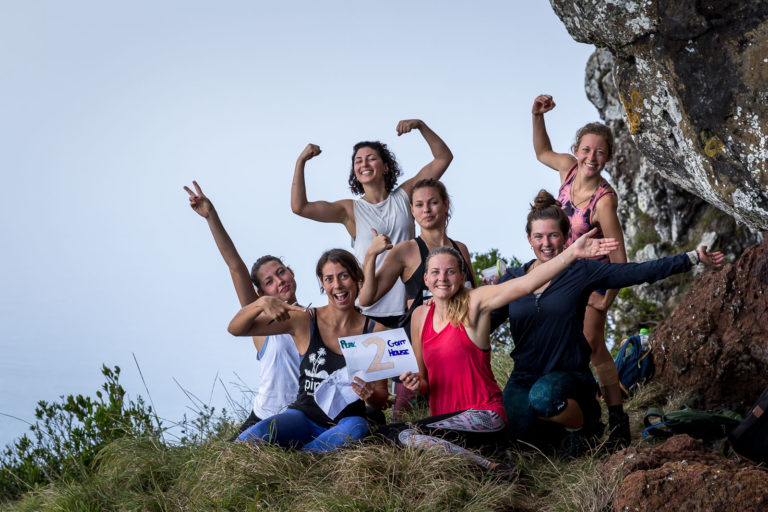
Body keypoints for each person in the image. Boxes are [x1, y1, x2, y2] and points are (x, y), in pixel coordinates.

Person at [492, 190, 724, 457]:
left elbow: (636, 272)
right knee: (514, 439)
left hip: (568, 375)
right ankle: (553, 432)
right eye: (539, 237)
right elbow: (481, 324)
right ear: (529, 239)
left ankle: (585, 427)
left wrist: (691, 258)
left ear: (566, 237)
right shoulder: (513, 279)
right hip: (524, 376)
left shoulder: (580, 271)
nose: (546, 243)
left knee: (543, 398)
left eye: (553, 235)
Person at [376, 228, 618, 477]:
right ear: (426, 279)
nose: (442, 278)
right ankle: (483, 463)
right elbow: (424, 381)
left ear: (462, 277)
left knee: (403, 433)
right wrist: (416, 384)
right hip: (446, 423)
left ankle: (494, 468)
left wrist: (572, 253)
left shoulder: (475, 302)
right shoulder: (419, 316)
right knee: (389, 434)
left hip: (485, 416)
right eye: (435, 272)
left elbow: (525, 284)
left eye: (450, 271)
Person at [531, 94, 631, 447]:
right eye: (586, 150)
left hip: (592, 279)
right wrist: (537, 115)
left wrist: (606, 299)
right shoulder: (567, 169)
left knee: (590, 344)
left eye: (600, 152)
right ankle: (580, 410)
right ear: (576, 150)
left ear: (608, 157)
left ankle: (616, 418)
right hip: (561, 273)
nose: (591, 157)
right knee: (566, 343)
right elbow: (542, 151)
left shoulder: (604, 201)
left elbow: (620, 260)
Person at [291, 120, 453, 327]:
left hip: (411, 305)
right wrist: (301, 161)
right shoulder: (350, 210)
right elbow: (300, 207)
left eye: (371, 159)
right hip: (368, 310)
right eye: (358, 161)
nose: (364, 164)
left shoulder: (405, 196)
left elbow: (443, 158)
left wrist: (421, 126)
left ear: (385, 166)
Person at [227, 249, 390, 453]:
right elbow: (236, 329)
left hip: (347, 420)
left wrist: (370, 395)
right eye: (329, 279)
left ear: (357, 277)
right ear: (322, 283)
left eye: (344, 276)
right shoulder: (305, 319)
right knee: (255, 434)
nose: (337, 285)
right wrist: (261, 303)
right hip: (303, 416)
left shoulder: (374, 330)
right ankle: (306, 454)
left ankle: (302, 459)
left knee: (357, 428)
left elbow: (381, 398)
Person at [184, 181, 301, 440]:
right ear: (261, 294)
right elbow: (235, 266)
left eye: (281, 272)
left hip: (301, 417)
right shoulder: (263, 323)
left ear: (291, 272)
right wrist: (211, 216)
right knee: (225, 461)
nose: (279, 281)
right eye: (269, 281)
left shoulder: (315, 316)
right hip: (263, 417)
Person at [358, 178, 476, 418]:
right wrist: (371, 255)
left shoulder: (460, 249)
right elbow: (366, 298)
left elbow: (474, 299)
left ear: (446, 204)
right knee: (407, 422)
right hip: (416, 354)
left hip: (455, 352)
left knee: (456, 418)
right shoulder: (406, 250)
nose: (427, 210)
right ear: (411, 210)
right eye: (419, 205)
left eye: (433, 203)